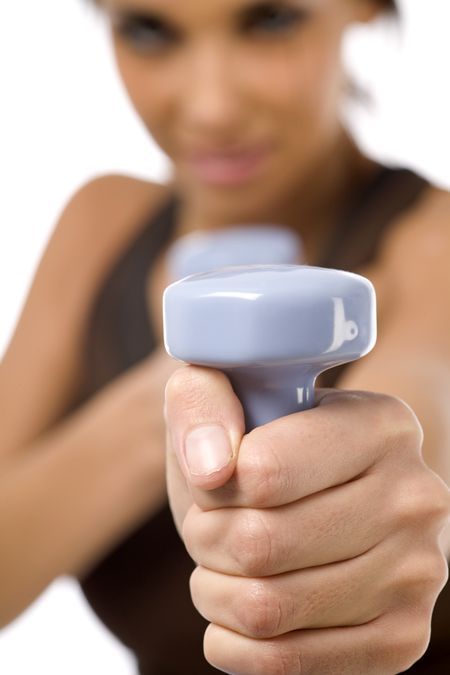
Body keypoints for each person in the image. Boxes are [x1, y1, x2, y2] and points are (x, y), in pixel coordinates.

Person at [1, 0, 449, 672]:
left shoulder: (434, 244)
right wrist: (163, 407)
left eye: (270, 20)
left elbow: (423, 401)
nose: (211, 108)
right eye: (148, 30)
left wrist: (363, 501)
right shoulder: (99, 224)